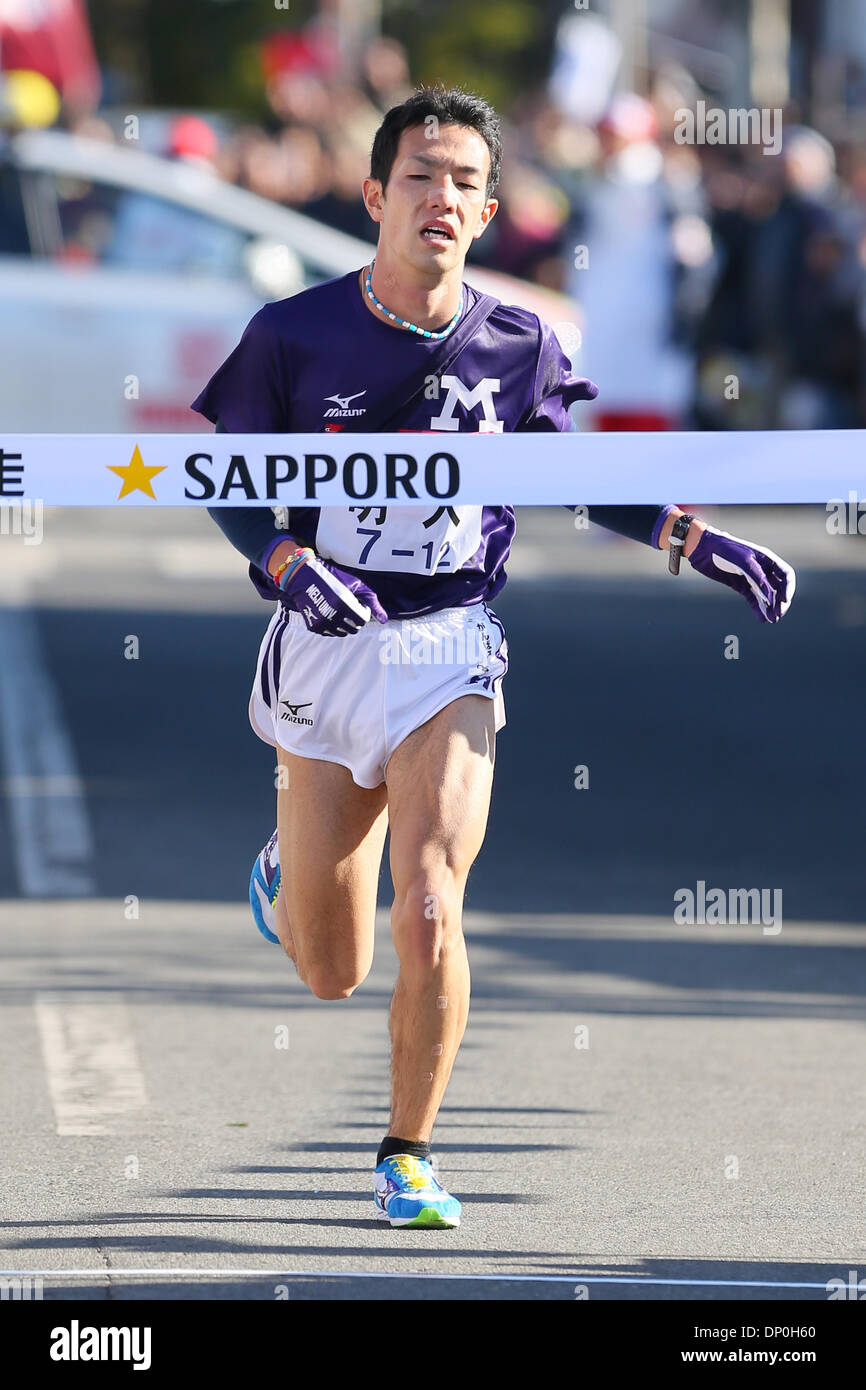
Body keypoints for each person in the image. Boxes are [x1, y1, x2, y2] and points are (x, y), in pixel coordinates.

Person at [191, 85, 795, 1230]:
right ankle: (289, 862)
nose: (443, 196)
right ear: (375, 195)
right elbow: (226, 480)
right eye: (421, 174)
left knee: (429, 903)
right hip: (323, 646)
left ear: (486, 211)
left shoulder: (521, 343)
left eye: (466, 181)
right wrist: (280, 563)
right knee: (331, 969)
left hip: (450, 645)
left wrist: (689, 534)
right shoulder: (292, 334)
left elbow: (562, 480)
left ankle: (405, 1151)